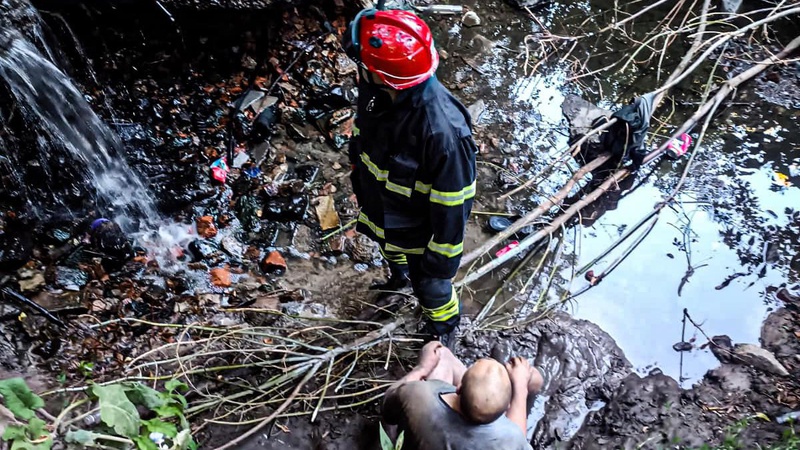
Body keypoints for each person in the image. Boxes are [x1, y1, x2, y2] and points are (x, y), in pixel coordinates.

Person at [343, 6, 478, 347]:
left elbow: (453, 206)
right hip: (383, 206)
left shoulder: (443, 133)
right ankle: (397, 278)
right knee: (389, 248)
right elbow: (367, 129)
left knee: (431, 288)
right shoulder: (378, 91)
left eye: (363, 64)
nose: (358, 67)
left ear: (386, 76)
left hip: (420, 227)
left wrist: (439, 265)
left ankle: (443, 331)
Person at [382, 341, 544, 450]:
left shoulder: (418, 394)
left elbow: (387, 410)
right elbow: (517, 437)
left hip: (429, 434)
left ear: (458, 388)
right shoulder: (511, 439)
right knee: (534, 378)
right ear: (506, 408)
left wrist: (422, 368)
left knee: (441, 353)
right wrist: (520, 387)